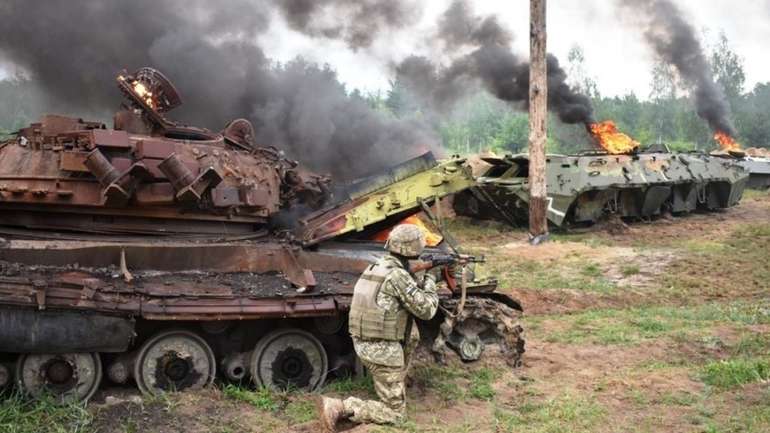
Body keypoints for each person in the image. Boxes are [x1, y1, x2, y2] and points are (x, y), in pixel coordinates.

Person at [317, 224, 439, 432]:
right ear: (413, 249)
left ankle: (395, 383)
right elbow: (427, 310)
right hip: (381, 350)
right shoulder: (398, 276)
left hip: (367, 342)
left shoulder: (377, 266)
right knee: (395, 415)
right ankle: (342, 407)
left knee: (413, 334)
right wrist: (431, 278)